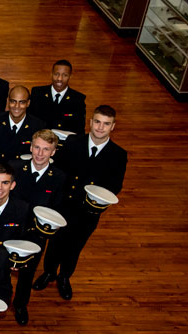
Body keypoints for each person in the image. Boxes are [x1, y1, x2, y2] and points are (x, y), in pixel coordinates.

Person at [34, 105, 127, 300]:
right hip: (65, 204)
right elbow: (58, 171)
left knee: (75, 246)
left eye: (106, 124)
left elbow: (115, 185)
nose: (100, 127)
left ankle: (65, 277)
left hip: (88, 211)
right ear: (91, 122)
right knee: (56, 242)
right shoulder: (73, 142)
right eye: (98, 122)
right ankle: (49, 272)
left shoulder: (118, 154)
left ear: (113, 126)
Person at [7, 129, 66, 325]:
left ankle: (21, 304)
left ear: (53, 152)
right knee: (1, 268)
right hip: (10, 228)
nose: (40, 154)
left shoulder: (59, 177)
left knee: (28, 272)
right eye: (37, 148)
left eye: (46, 149)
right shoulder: (14, 168)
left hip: (36, 234)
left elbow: (56, 208)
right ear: (31, 147)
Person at [0, 85, 45, 161]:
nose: (17, 106)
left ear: (28, 103)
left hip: (22, 170)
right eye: (13, 101)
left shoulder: (37, 126)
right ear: (8, 101)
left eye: (22, 102)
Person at [28, 60, 87, 133]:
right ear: (51, 74)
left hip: (64, 143)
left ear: (70, 77)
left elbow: (79, 129)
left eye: (65, 75)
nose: (59, 79)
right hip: (40, 140)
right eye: (56, 74)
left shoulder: (78, 99)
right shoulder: (38, 93)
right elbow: (29, 120)